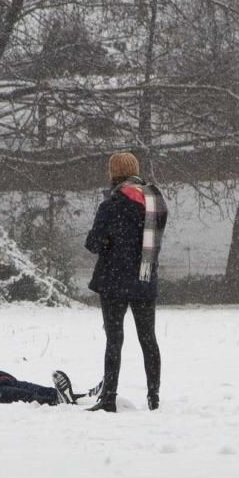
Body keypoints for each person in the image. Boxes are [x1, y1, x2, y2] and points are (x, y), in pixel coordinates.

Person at [85, 151, 168, 412]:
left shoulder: (111, 205)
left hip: (114, 281)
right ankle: (153, 397)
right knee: (148, 339)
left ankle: (108, 398)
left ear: (113, 174)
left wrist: (109, 240)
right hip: (145, 278)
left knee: (114, 340)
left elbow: (94, 243)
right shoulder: (156, 202)